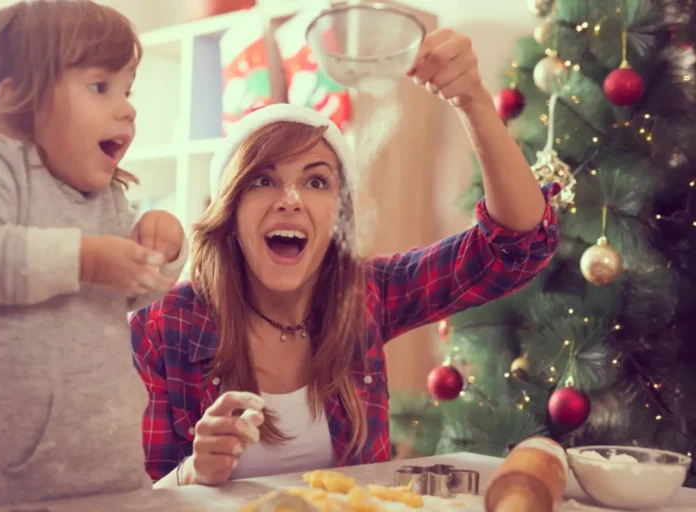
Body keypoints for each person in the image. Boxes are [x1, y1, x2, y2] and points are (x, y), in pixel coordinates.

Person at [130, 27, 560, 488]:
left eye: (316, 182)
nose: (291, 199)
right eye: (263, 180)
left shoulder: (367, 295)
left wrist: (472, 99)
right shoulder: (161, 328)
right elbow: (122, 497)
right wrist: (195, 471)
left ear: (338, 216)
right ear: (230, 211)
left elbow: (516, 247)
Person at [0, 1, 187, 509]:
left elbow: (131, 287)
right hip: (2, 487)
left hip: (109, 470)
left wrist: (164, 247)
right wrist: (83, 259)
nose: (128, 108)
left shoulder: (105, 191)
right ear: (17, 99)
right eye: (100, 86)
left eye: (127, 90)